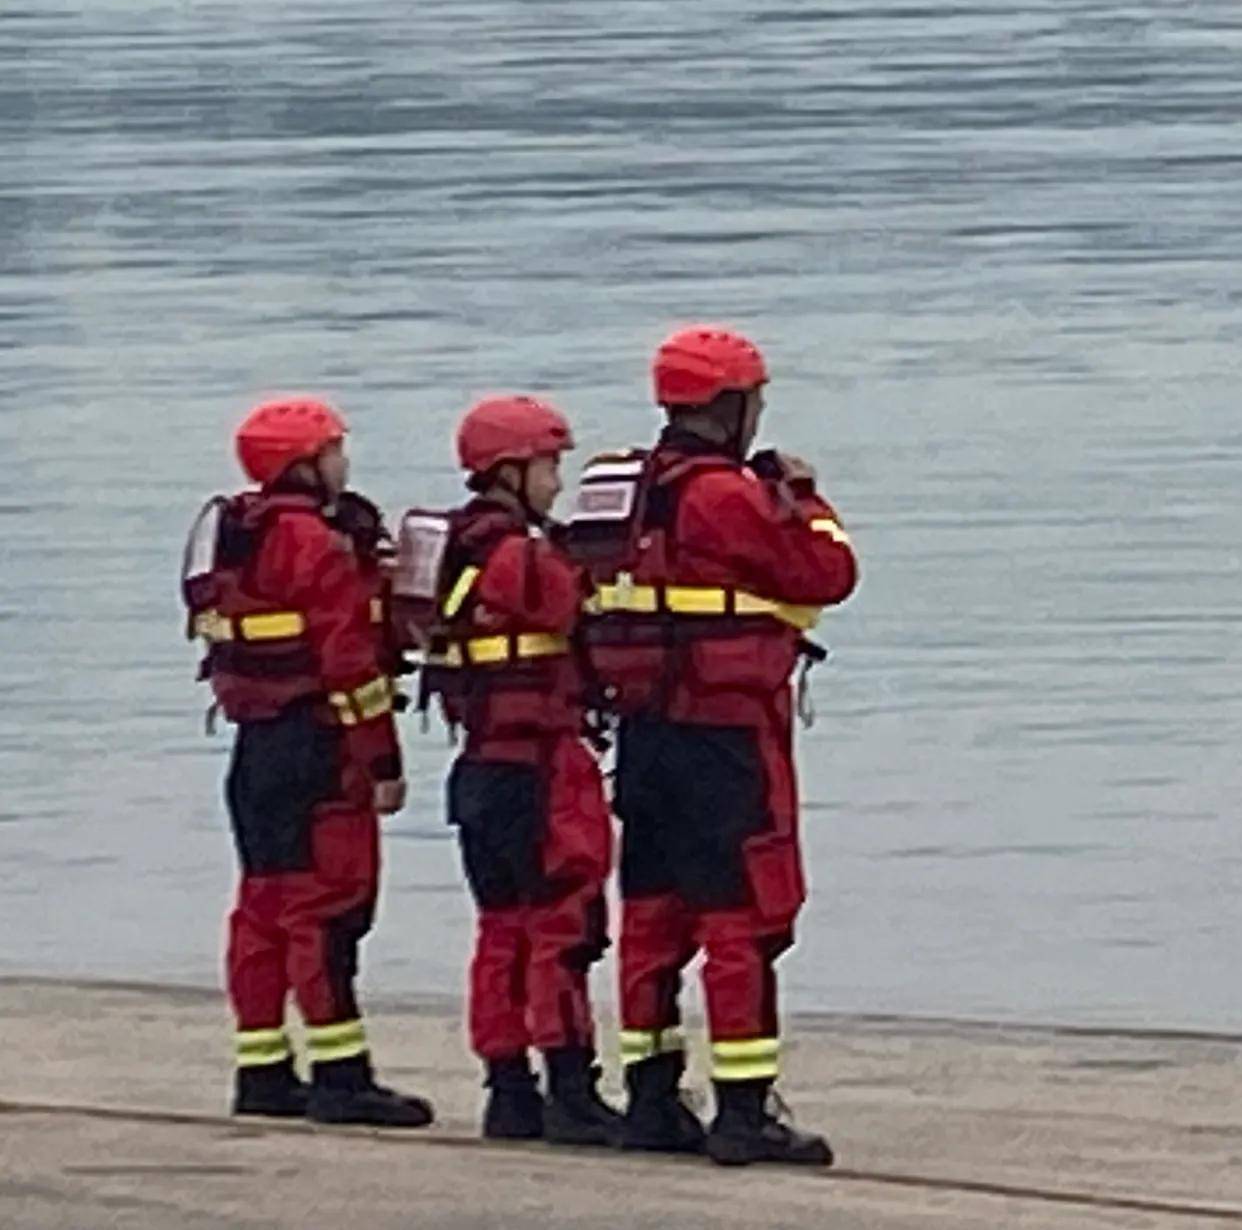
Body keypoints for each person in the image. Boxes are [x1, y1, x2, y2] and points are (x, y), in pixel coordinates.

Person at [584, 322, 859, 1168]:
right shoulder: (728, 496)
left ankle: (652, 1100)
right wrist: (805, 499)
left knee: (654, 919)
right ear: (731, 405)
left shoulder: (609, 487)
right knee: (744, 918)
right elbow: (828, 575)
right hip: (725, 737)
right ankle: (745, 1111)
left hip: (644, 734)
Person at [185, 395, 431, 1126]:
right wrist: (382, 762)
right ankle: (340, 1074)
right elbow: (349, 665)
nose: (343, 464)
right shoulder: (317, 545)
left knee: (262, 909)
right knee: (326, 912)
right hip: (319, 748)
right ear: (304, 463)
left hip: (255, 746)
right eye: (332, 452)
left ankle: (261, 1069)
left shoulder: (235, 531)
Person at [431, 392, 624, 1146]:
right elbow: (579, 614)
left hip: (479, 769)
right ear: (512, 469)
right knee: (563, 928)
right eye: (550, 464)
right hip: (540, 768)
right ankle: (571, 1090)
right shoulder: (520, 553)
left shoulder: (450, 546)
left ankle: (509, 1092)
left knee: (500, 930)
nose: (557, 478)